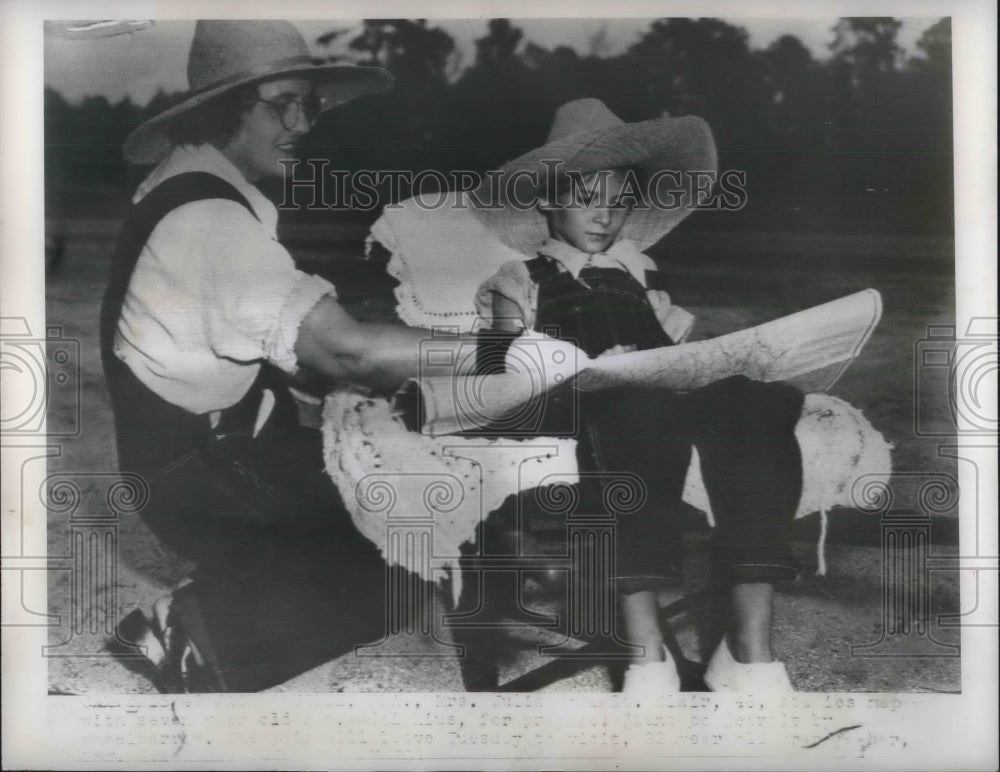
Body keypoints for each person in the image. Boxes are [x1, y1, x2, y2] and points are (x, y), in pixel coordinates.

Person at [102, 20, 561, 692]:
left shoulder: (194, 184)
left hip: (209, 451)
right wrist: (499, 354)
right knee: (413, 558)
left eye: (306, 104)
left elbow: (305, 349)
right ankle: (196, 633)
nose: (301, 123)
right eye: (280, 104)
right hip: (203, 479)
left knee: (410, 479)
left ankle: (229, 595)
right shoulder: (212, 223)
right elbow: (345, 354)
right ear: (223, 109)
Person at [472, 99, 805, 693]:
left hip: (654, 394)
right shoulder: (519, 279)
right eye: (587, 198)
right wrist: (572, 362)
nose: (605, 216)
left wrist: (734, 362)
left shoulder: (640, 279)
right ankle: (645, 650)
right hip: (574, 402)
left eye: (620, 201)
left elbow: (683, 354)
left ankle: (749, 649)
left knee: (762, 400)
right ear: (548, 199)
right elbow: (500, 372)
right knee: (635, 412)